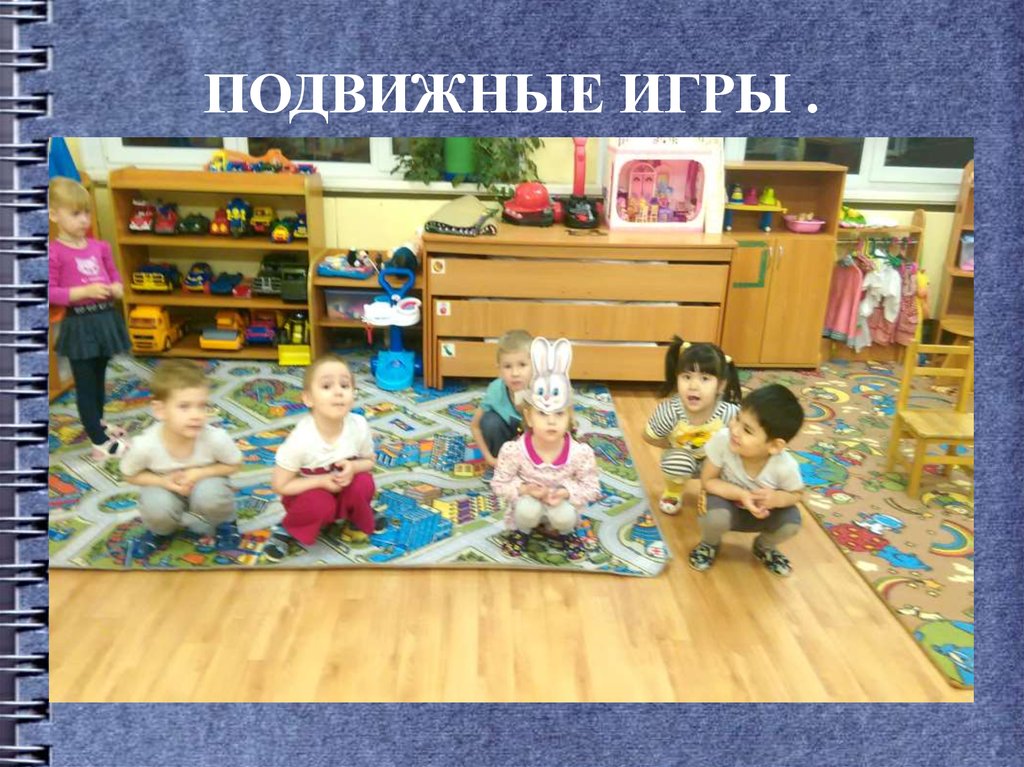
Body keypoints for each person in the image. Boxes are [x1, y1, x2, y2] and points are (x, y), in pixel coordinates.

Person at [120, 360, 243, 559]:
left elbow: (235, 464)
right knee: (157, 507)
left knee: (211, 495)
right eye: (184, 407)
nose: (196, 415)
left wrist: (200, 473)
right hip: (163, 487)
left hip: (205, 483)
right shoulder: (144, 445)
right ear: (160, 410)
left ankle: (226, 523)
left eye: (202, 406)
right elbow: (129, 475)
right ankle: (160, 531)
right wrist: (162, 481)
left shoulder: (215, 438)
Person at [491, 337, 600, 560]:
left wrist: (565, 492)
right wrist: (526, 489)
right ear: (529, 417)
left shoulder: (579, 453)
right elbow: (499, 484)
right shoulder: (514, 450)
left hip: (561, 504)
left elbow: (592, 488)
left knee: (564, 516)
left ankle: (567, 534)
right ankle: (522, 532)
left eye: (559, 414)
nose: (551, 421)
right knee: (527, 510)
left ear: (569, 418)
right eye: (542, 414)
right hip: (528, 503)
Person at [48, 176, 132, 460]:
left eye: (86, 212)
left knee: (99, 378)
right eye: (75, 214)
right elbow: (50, 291)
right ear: (54, 215)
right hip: (80, 324)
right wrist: (83, 291)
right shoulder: (54, 252)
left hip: (105, 320)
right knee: (85, 383)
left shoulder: (100, 247)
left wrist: (117, 287)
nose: (84, 219)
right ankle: (98, 440)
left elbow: (114, 274)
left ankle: (98, 422)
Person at [267, 355, 380, 561]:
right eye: (327, 386)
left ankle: (355, 515)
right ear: (308, 398)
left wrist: (353, 468)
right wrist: (320, 481)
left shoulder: (359, 425)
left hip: (342, 487)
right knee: (319, 502)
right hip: (307, 495)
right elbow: (280, 485)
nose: (338, 392)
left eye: (345, 385)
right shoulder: (300, 439)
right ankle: (288, 526)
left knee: (364, 482)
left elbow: (369, 461)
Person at [689, 384, 806, 577]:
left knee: (792, 522)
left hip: (762, 512)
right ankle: (709, 543)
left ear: (775, 446)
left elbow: (798, 494)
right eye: (737, 418)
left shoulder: (785, 466)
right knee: (714, 518)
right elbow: (708, 481)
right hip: (725, 503)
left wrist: (777, 498)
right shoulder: (723, 440)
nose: (734, 430)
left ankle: (764, 547)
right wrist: (742, 495)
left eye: (747, 430)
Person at [644, 338, 742, 515]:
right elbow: (648, 435)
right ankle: (673, 492)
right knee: (676, 461)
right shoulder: (670, 410)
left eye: (705, 379)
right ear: (677, 379)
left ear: (720, 386)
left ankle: (717, 493)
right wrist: (671, 445)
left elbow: (744, 437)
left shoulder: (729, 412)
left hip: (715, 462)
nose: (693, 386)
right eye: (686, 377)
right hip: (684, 456)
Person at [469, 329, 533, 468]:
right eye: (507, 366)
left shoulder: (543, 389)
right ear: (499, 369)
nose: (515, 373)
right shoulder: (495, 390)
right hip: (506, 440)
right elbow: (475, 426)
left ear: (534, 366)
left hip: (535, 442)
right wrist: (490, 459)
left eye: (522, 365)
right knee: (489, 421)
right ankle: (502, 464)